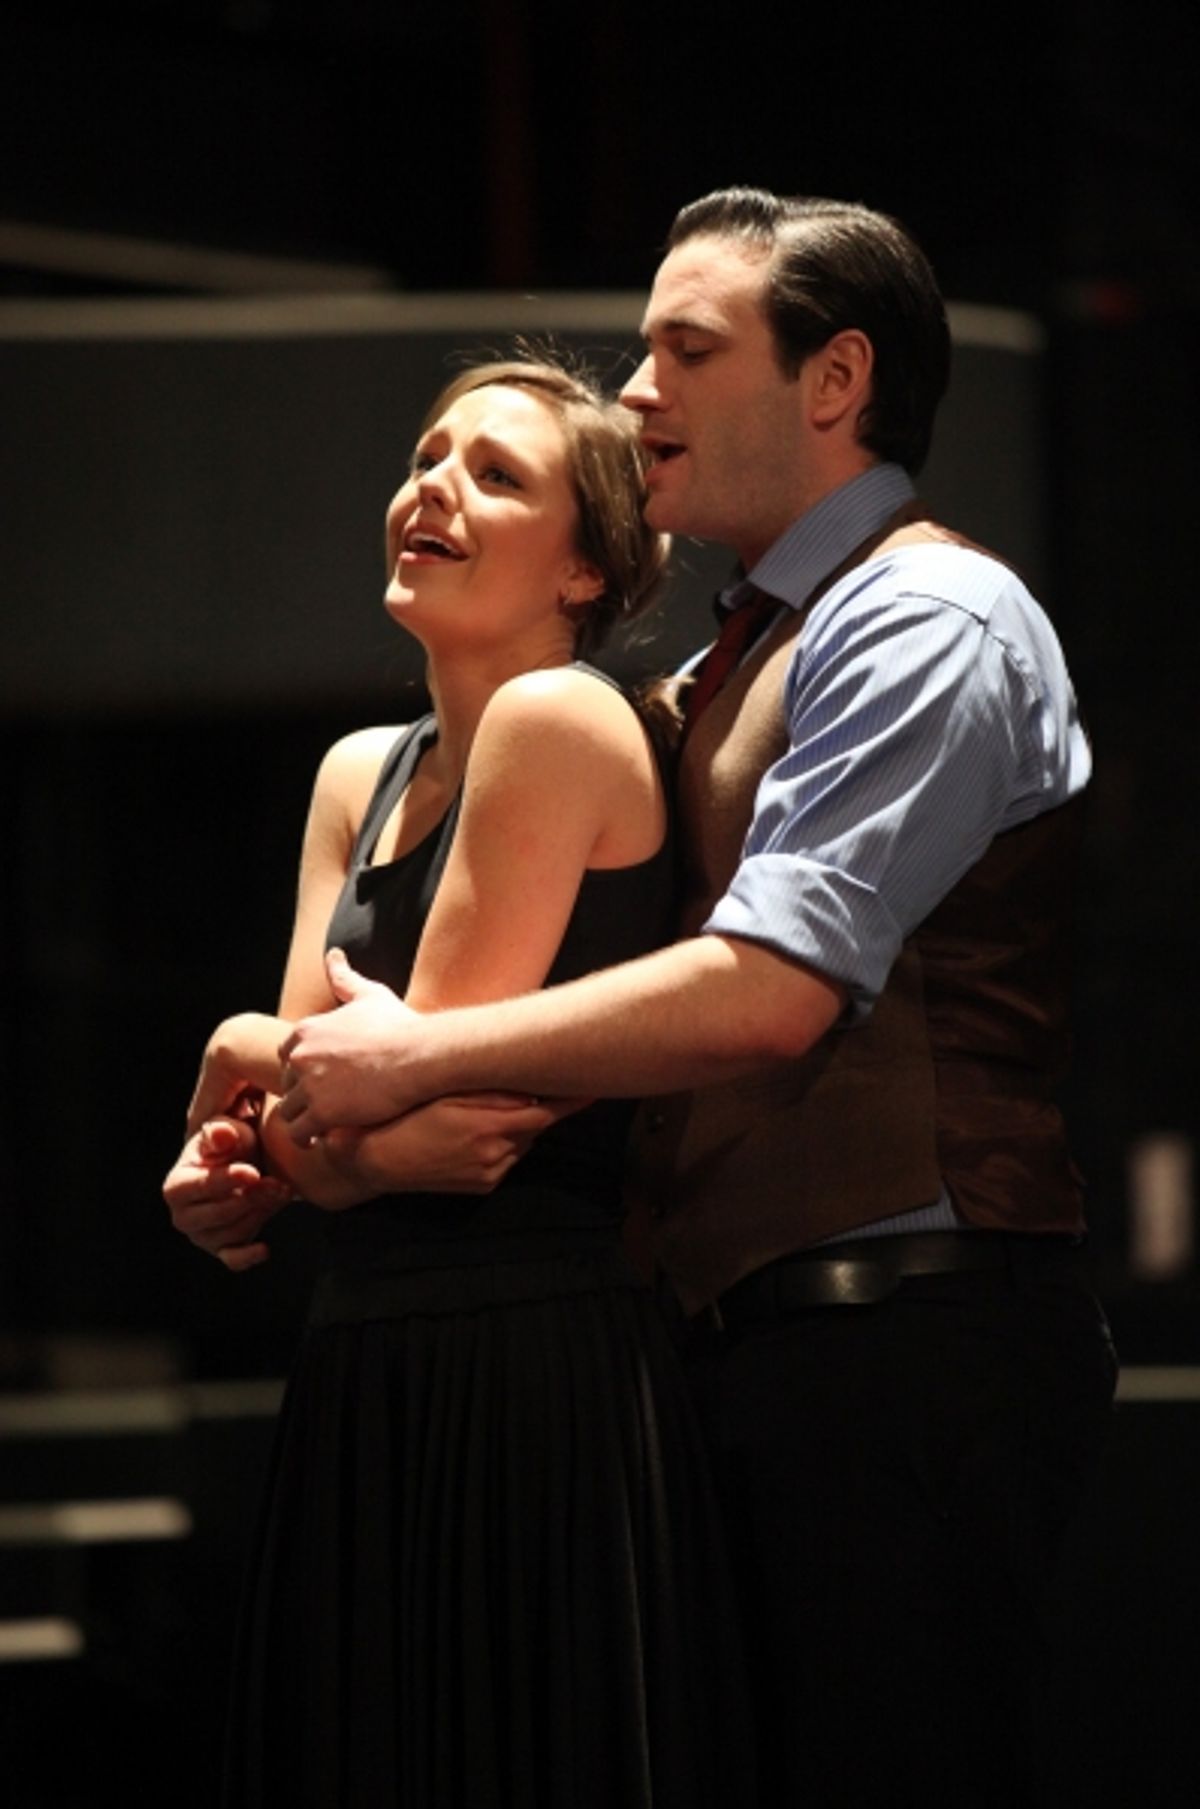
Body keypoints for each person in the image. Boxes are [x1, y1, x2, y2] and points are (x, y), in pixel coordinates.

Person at [275, 191, 1119, 1807]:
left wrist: (407, 1058)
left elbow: (774, 988)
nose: (639, 388)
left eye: (685, 348)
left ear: (833, 379)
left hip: (906, 1336)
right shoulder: (739, 653)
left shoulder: (923, 612)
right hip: (743, 1354)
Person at [163, 356, 755, 1809]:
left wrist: (251, 1062)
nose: (432, 487)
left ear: (589, 569)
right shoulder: (358, 768)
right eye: (427, 457)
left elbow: (383, 1099)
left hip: (527, 1367)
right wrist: (277, 1112)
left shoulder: (560, 720)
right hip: (366, 1355)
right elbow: (335, 1110)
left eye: (495, 474)